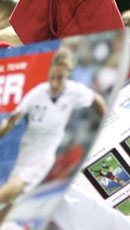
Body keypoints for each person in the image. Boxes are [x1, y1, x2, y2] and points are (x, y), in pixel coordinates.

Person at [0, 48, 105, 204]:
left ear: (67, 74)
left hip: (43, 157)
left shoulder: (75, 91)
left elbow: (97, 101)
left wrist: (106, 123)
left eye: (60, 78)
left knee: (5, 195)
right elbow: (11, 121)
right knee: (10, 204)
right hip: (24, 155)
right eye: (53, 78)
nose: (55, 83)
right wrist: (7, 126)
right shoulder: (38, 93)